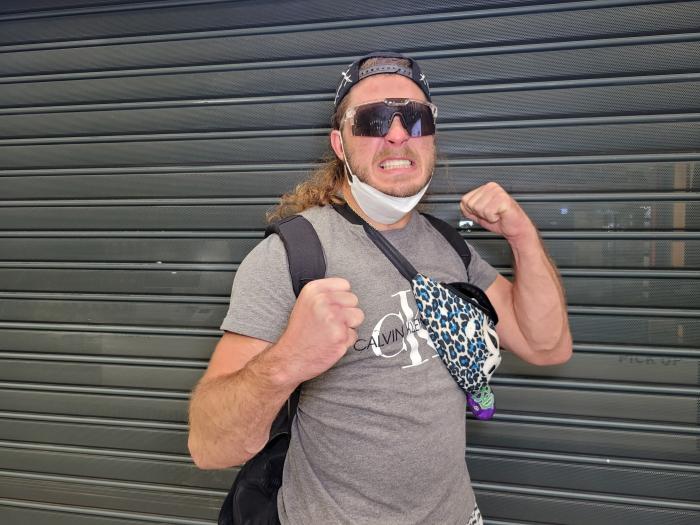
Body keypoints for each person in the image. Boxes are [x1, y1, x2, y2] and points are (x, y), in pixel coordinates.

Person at [188, 51, 573, 525]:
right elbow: (210, 446)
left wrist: (522, 236)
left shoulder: (449, 246)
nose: (396, 134)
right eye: (372, 120)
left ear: (431, 136)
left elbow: (546, 345)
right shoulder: (293, 254)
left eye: (415, 118)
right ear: (340, 143)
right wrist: (288, 359)